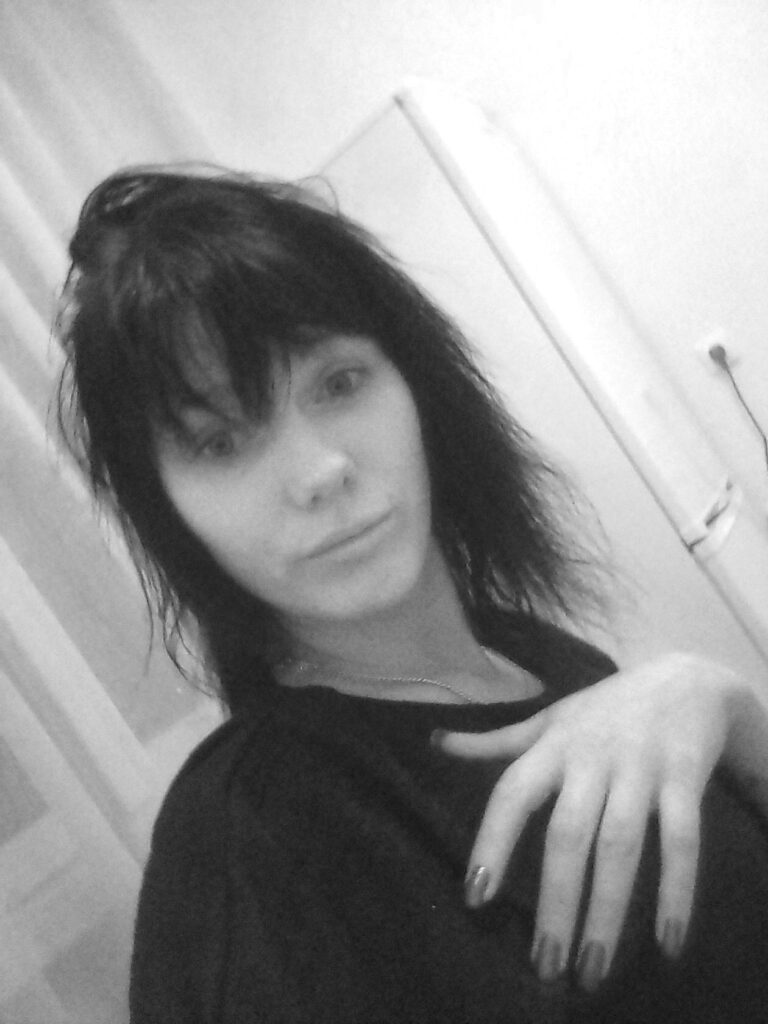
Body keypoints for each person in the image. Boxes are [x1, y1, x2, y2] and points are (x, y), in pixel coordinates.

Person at [56, 167, 768, 1023]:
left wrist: (726, 708)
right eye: (220, 443)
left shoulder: (533, 652)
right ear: (167, 510)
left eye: (338, 383)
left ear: (416, 382)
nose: (321, 471)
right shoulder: (250, 842)